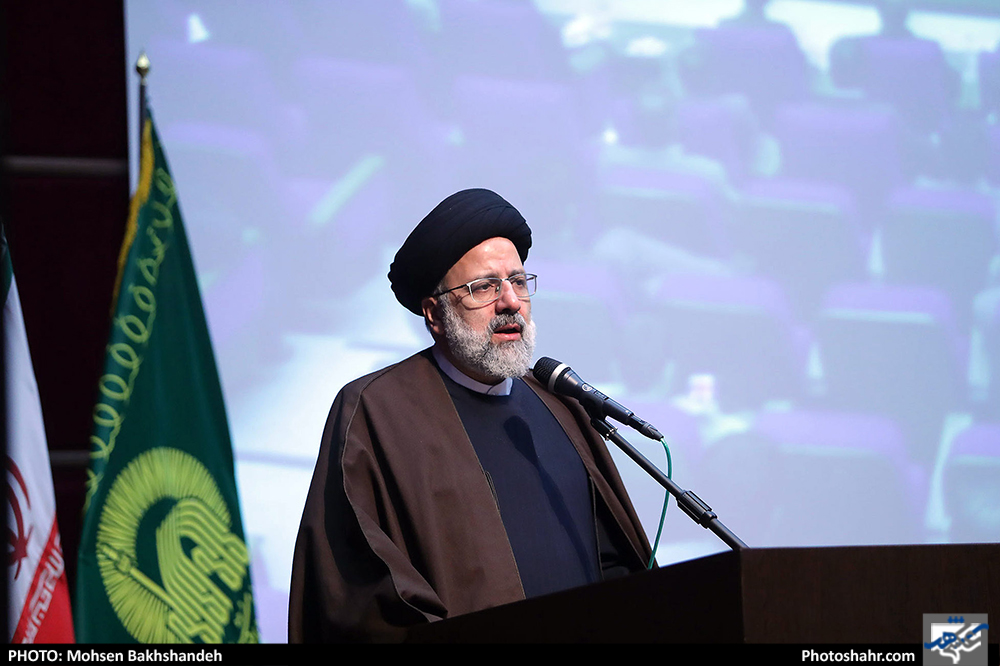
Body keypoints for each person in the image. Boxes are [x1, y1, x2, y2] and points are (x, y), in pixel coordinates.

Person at [289, 189, 651, 642]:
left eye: (518, 282)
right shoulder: (376, 412)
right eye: (484, 287)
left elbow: (614, 562)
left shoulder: (560, 403)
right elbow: (358, 591)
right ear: (434, 314)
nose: (510, 302)